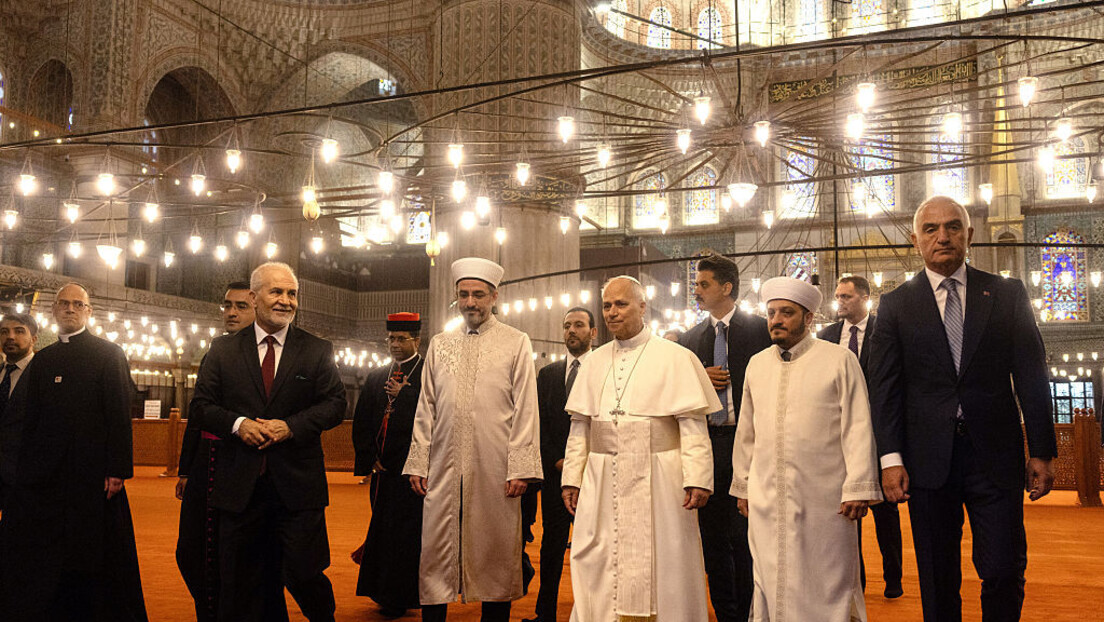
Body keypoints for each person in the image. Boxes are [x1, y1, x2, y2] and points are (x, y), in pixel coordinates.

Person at [867, 196, 1057, 622]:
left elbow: (1030, 373)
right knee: (937, 577)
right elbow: (885, 390)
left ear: (969, 235)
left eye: (953, 227)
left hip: (995, 456)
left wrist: (1041, 450)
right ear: (915, 240)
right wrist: (890, 458)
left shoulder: (1006, 293)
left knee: (1004, 568)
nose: (943, 236)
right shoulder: (896, 305)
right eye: (931, 229)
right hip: (926, 462)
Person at [191, 262, 347, 622]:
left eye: (292, 294)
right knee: (245, 581)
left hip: (297, 489)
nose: (286, 301)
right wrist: (239, 423)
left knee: (305, 573)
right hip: (240, 489)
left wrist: (289, 427)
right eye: (276, 292)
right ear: (253, 296)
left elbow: (336, 404)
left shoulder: (316, 349)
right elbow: (201, 406)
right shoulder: (223, 350)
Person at [562, 276, 718, 622]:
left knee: (667, 556)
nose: (612, 313)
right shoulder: (593, 363)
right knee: (597, 555)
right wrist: (572, 478)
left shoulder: (676, 357)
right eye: (606, 306)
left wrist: (698, 478)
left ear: (642, 307)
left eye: (621, 304)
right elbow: (580, 427)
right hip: (603, 478)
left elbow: (692, 425)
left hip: (660, 477)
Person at [732, 276, 882, 621]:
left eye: (786, 312)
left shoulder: (839, 359)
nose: (776, 320)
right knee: (771, 574)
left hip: (825, 498)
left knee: (827, 578)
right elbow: (747, 431)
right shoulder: (757, 364)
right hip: (767, 494)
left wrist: (857, 486)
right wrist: (743, 485)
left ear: (809, 317)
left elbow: (858, 426)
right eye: (771, 313)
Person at [404, 257, 542, 622]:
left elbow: (526, 408)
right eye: (464, 295)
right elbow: (426, 407)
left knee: (495, 550)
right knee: (435, 551)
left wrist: (521, 469)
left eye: (478, 295)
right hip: (442, 466)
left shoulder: (516, 342)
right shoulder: (439, 344)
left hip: (496, 467)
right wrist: (419, 460)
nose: (470, 303)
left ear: (494, 296)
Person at [0, 284, 148, 621]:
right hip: (45, 477)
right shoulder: (45, 360)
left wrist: (118, 469)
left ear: (88, 311)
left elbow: (118, 415)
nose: (70, 309)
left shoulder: (109, 354)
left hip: (92, 476)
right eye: (64, 304)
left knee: (91, 554)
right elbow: (31, 419)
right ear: (53, 311)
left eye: (77, 304)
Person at [175, 282, 288, 622]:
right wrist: (184, 469)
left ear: (258, 310)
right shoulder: (218, 351)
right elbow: (199, 413)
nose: (231, 312)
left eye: (240, 306)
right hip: (205, 466)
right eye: (227, 305)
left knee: (241, 559)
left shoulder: (272, 356)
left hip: (245, 468)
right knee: (192, 552)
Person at [678, 253, 770, 622]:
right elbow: (678, 395)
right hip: (707, 443)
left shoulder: (762, 330)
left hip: (750, 442)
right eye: (696, 285)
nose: (697, 291)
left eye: (704, 284)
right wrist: (699, 376)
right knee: (713, 537)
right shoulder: (688, 341)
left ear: (726, 288)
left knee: (747, 535)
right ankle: (727, 613)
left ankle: (753, 610)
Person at [817, 275, 904, 599]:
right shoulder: (826, 336)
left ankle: (893, 578)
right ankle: (858, 582)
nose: (840, 302)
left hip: (880, 433)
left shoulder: (885, 330)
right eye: (838, 296)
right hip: (841, 436)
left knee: (885, 511)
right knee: (848, 510)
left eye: (847, 297)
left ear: (865, 298)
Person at [521, 307, 597, 622]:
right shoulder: (548, 374)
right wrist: (558, 461)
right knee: (551, 547)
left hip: (595, 475)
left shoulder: (604, 369)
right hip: (555, 475)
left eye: (579, 325)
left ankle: (591, 613)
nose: (571, 331)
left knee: (592, 549)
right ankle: (545, 614)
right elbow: (538, 425)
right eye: (567, 326)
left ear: (593, 332)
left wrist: (583, 463)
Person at [351, 312, 425, 619]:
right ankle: (382, 592)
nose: (394, 345)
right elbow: (363, 419)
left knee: (406, 534)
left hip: (413, 472)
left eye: (401, 339)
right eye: (391, 339)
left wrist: (406, 395)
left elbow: (437, 415)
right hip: (383, 471)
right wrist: (370, 458)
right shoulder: (376, 375)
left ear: (416, 340)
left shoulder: (427, 375)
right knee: (382, 530)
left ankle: (403, 595)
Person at [0, 312, 38, 508]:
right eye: (4, 332)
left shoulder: (44, 375)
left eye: (19, 331)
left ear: (34, 339)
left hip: (26, 478)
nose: (10, 337)